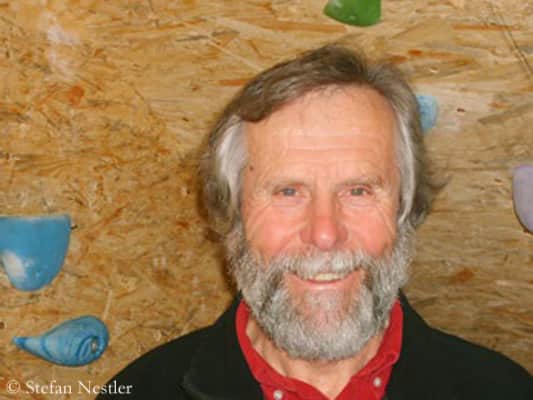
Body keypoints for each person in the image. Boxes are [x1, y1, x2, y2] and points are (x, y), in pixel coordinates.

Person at [97, 45, 533, 399]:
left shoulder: (506, 391)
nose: (325, 234)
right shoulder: (138, 392)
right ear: (233, 215)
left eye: (358, 190)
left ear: (404, 208)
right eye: (288, 192)